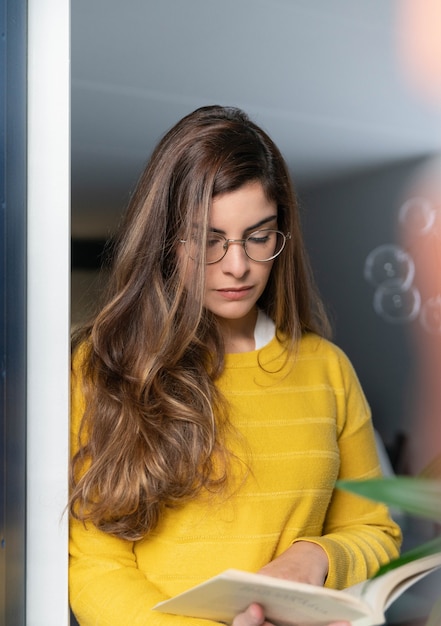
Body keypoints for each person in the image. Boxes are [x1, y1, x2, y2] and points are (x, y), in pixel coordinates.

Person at [69, 105, 401, 626]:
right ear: (166, 241)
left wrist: (314, 560)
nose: (238, 265)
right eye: (208, 239)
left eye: (258, 236)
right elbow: (94, 567)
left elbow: (377, 532)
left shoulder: (327, 369)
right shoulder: (105, 367)